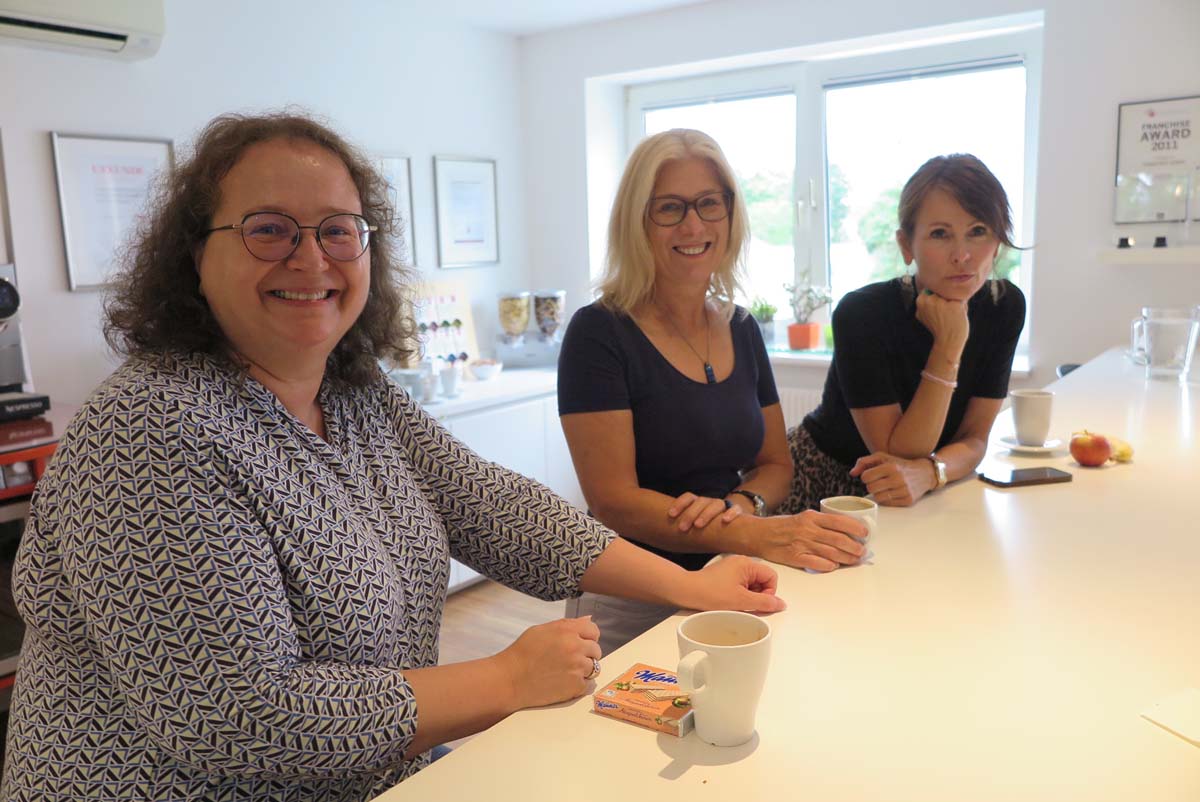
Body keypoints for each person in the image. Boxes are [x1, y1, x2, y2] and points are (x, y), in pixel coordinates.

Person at [0, 112, 787, 802]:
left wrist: (690, 584)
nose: (311, 258)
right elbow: (237, 718)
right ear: (193, 257)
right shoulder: (150, 427)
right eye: (270, 229)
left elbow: (493, 507)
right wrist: (505, 678)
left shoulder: (354, 393)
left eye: (338, 230)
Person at [557, 129, 868, 654]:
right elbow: (613, 502)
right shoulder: (599, 333)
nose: (694, 225)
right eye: (669, 208)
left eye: (709, 203)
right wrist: (750, 532)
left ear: (730, 213)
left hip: (731, 575)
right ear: (636, 220)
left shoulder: (741, 327)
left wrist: (742, 505)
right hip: (634, 591)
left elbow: (776, 464)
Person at [778, 153, 1026, 514]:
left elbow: (974, 439)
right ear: (906, 245)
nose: (962, 255)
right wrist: (950, 343)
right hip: (825, 485)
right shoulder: (862, 313)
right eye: (940, 234)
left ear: (998, 241)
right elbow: (897, 455)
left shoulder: (1003, 306)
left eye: (978, 231)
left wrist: (932, 472)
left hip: (925, 488)